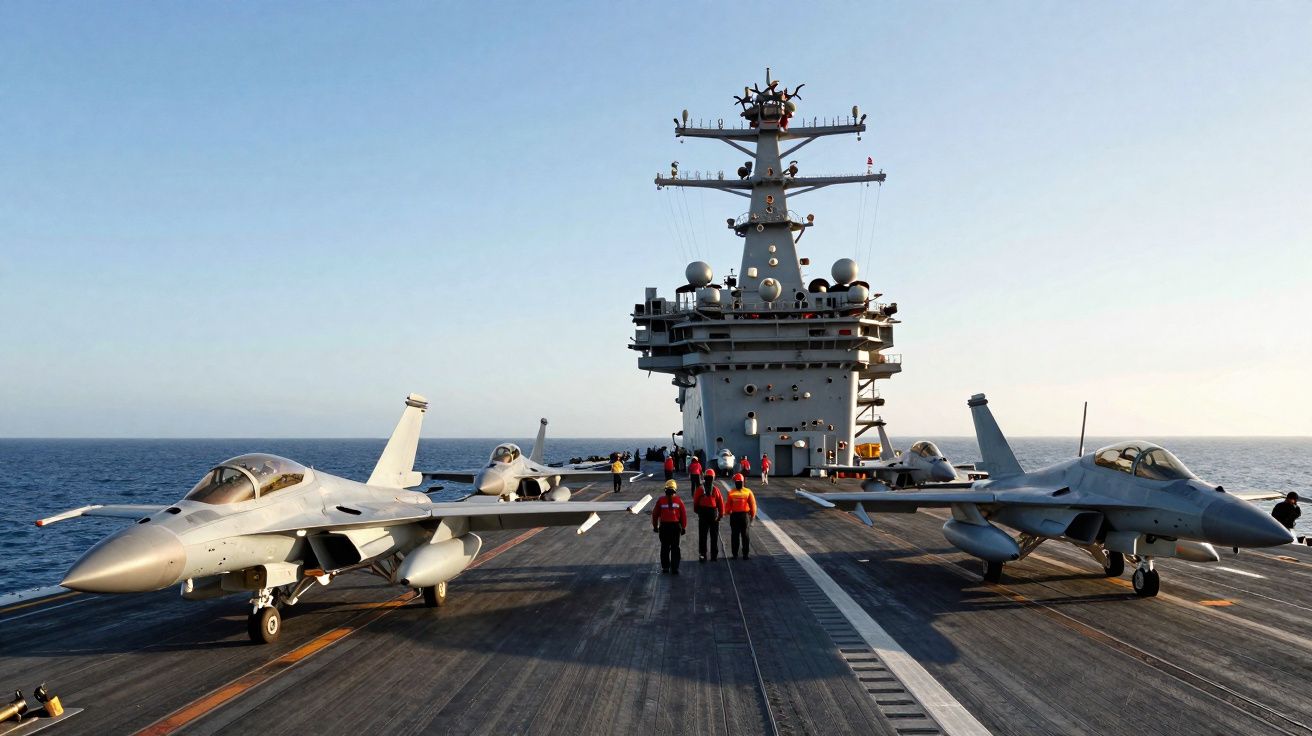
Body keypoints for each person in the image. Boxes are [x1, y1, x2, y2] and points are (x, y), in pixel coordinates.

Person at [651, 480, 687, 574]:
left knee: (665, 547)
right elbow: (683, 515)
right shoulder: (679, 500)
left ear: (665, 489)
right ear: (675, 490)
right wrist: (683, 527)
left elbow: (655, 514)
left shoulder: (660, 500)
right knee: (675, 547)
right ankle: (675, 568)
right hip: (675, 528)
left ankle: (665, 567)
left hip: (664, 527)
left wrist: (655, 526)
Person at [692, 472, 725, 562]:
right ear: (713, 478)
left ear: (705, 477)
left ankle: (703, 556)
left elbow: (695, 502)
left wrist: (697, 511)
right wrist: (720, 515)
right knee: (714, 536)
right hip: (713, 513)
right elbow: (721, 503)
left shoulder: (699, 489)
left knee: (702, 536)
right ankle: (714, 556)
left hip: (703, 513)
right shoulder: (716, 490)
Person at [726, 473, 757, 560]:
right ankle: (745, 555)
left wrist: (726, 512)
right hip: (744, 516)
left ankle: (735, 554)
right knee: (745, 536)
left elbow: (728, 506)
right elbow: (753, 505)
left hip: (735, 516)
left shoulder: (731, 492)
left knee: (735, 536)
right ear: (743, 482)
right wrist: (752, 516)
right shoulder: (748, 491)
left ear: (735, 482)